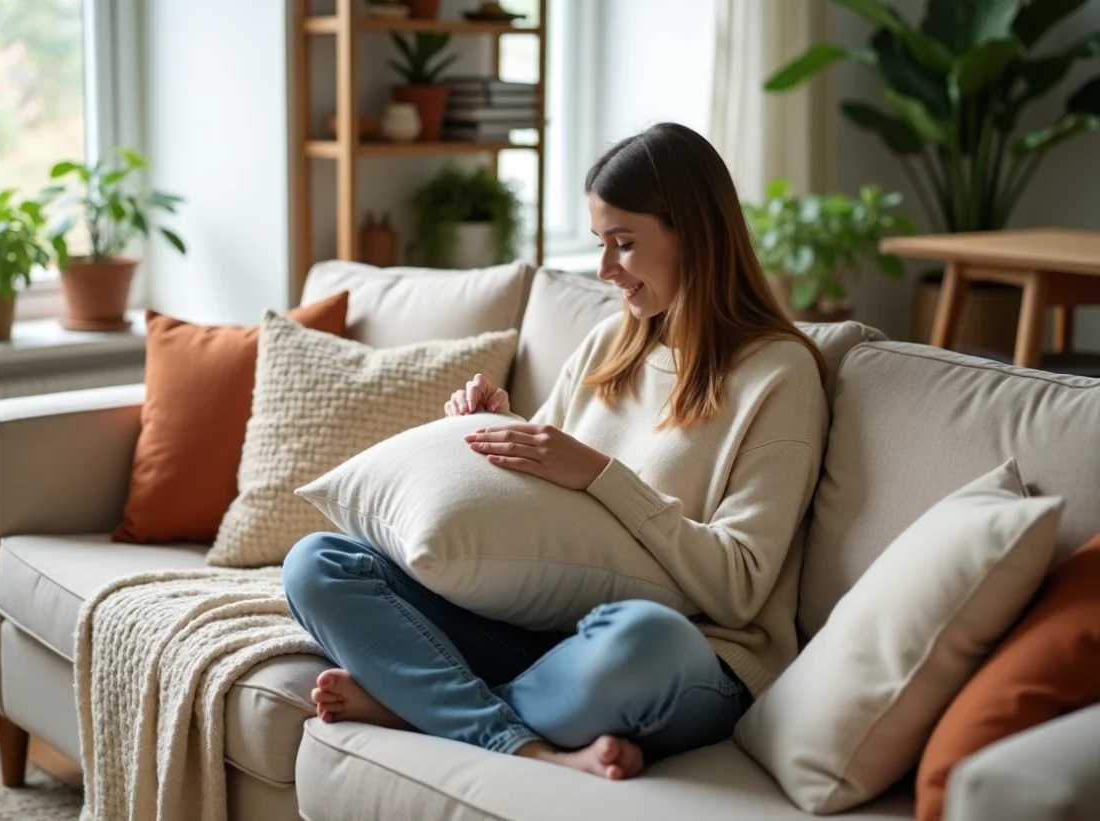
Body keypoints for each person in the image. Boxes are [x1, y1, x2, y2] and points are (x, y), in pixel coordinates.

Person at [282, 122, 827, 781]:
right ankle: (518, 734)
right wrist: (495, 433)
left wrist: (602, 473)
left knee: (639, 639)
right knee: (320, 562)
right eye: (601, 243)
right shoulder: (610, 344)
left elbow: (738, 589)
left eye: (623, 244)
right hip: (538, 631)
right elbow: (546, 511)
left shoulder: (779, 375)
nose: (604, 270)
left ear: (695, 232)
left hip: (686, 656)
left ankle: (428, 705)